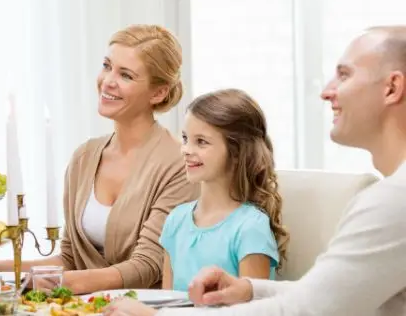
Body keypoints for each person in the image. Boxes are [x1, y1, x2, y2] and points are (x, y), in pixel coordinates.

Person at [105, 26, 406, 316]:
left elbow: (309, 309)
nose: (326, 91)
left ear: (392, 88)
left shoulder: (393, 201)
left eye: (344, 74)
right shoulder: (391, 197)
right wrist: (250, 289)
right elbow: (325, 294)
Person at [0, 24, 199, 294]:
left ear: (158, 93)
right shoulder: (84, 158)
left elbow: (146, 267)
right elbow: (71, 258)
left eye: (126, 75)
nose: (107, 81)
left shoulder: (179, 165)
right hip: (80, 307)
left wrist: (56, 283)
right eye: (107, 66)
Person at [158, 89, 287, 292]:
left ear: (237, 152)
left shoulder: (250, 228)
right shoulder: (175, 220)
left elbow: (254, 306)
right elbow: (166, 301)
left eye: (201, 141)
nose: (186, 150)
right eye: (185, 138)